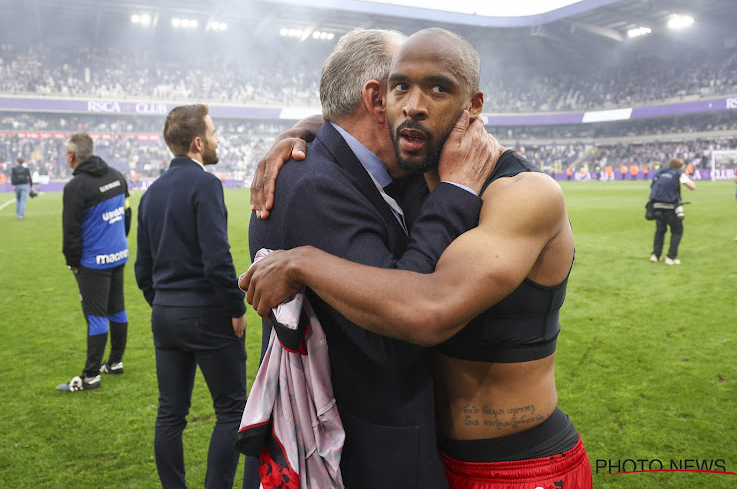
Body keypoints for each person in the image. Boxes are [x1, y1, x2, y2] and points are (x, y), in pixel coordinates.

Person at [242, 28, 592, 488]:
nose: (413, 104)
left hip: (517, 465)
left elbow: (429, 310)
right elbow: (352, 131)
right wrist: (301, 131)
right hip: (434, 458)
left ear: (474, 105)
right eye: (400, 86)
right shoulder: (416, 179)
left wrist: (301, 262)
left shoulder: (525, 194)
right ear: (380, 98)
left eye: (439, 88)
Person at [134, 104, 248, 488]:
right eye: (213, 133)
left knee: (170, 414)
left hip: (165, 312)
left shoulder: (150, 194)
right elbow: (217, 258)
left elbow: (142, 270)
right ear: (198, 143)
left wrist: (165, 303)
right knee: (232, 410)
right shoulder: (206, 185)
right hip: (207, 312)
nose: (217, 140)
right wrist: (235, 308)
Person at [57, 133, 130, 392]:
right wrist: (118, 242)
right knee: (117, 310)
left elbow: (70, 231)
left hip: (93, 263)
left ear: (71, 155)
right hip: (118, 255)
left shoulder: (76, 187)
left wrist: (73, 262)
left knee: (96, 317)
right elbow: (127, 213)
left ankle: (90, 377)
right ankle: (115, 362)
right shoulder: (116, 175)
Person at [649, 157, 696, 264]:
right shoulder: (678, 174)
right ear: (679, 167)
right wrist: (687, 176)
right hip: (670, 207)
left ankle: (655, 255)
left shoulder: (660, 172)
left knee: (660, 231)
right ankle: (671, 257)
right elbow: (692, 187)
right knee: (677, 231)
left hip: (656, 206)